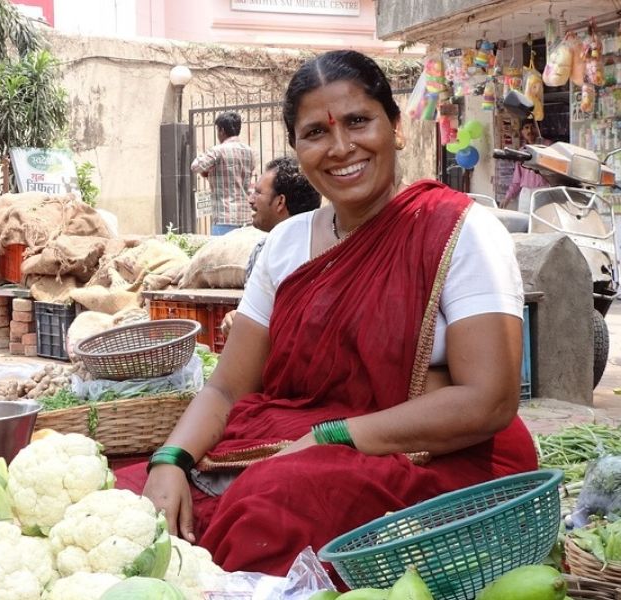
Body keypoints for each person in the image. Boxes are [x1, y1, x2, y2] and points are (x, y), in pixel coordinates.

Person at [118, 50, 537, 578]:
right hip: (292, 440)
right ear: (296, 149)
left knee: (267, 509)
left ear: (396, 127)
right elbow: (227, 389)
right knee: (128, 501)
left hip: (434, 461)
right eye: (316, 132)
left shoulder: (461, 231)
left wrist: (332, 435)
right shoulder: (287, 244)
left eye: (359, 121)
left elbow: (488, 401)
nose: (341, 148)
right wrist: (170, 460)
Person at [220, 156, 320, 337]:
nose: (251, 200)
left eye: (258, 193)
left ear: (280, 202)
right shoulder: (263, 248)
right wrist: (235, 319)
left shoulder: (268, 251)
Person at [191, 112, 256, 236]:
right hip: (245, 217)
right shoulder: (249, 152)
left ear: (221, 130)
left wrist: (208, 172)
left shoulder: (218, 150)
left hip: (224, 217)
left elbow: (195, 166)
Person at [502, 117, 550, 211]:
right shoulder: (522, 152)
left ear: (539, 129)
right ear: (522, 132)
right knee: (525, 222)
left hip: (543, 190)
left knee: (541, 222)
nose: (530, 130)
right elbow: (516, 180)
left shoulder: (548, 147)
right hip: (526, 192)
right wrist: (507, 197)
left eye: (533, 127)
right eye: (526, 128)